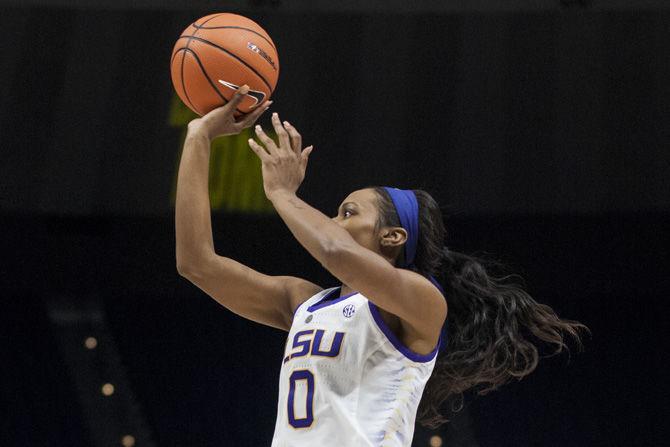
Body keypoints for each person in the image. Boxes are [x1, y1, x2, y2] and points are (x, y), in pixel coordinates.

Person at [175, 86, 590, 446]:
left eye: (347, 213)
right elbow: (197, 263)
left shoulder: (422, 300)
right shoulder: (304, 303)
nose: (332, 223)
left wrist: (282, 194)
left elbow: (334, 251)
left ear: (392, 236)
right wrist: (199, 138)